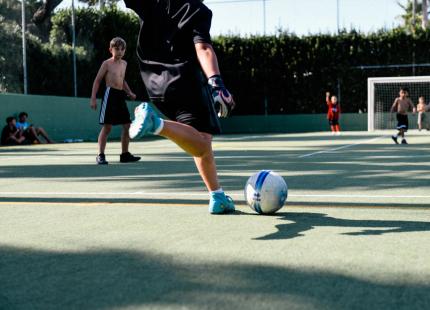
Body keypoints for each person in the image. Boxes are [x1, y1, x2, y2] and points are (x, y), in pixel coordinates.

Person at [124, 0, 236, 214]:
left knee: (198, 137)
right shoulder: (198, 9)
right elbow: (203, 47)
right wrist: (216, 82)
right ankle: (155, 125)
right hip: (185, 81)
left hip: (153, 84)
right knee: (202, 144)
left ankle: (217, 196)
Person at [90, 37, 141, 165]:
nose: (119, 51)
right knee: (107, 127)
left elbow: (122, 80)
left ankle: (125, 154)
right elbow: (97, 80)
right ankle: (100, 155)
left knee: (127, 125)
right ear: (110, 50)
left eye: (122, 49)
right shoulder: (106, 64)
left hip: (120, 96)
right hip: (109, 94)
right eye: (117, 49)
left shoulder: (124, 64)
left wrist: (129, 92)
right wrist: (93, 98)